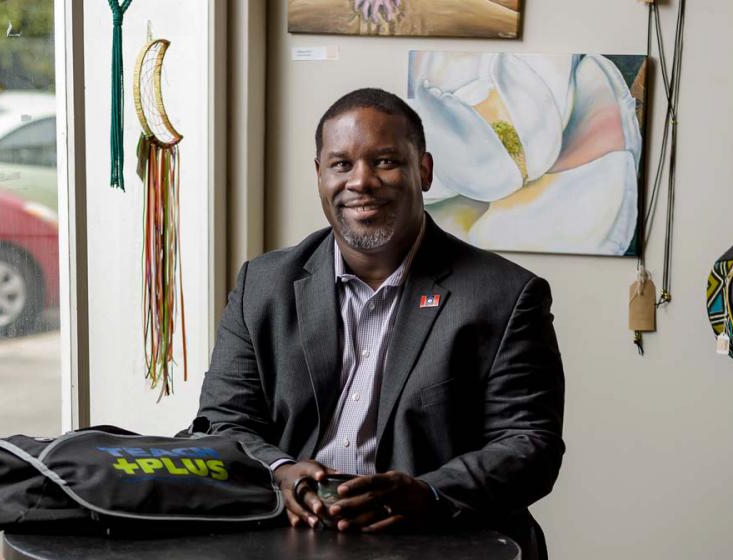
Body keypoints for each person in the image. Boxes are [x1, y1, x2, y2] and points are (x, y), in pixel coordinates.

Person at [197, 87, 565, 558]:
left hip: (441, 539)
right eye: (341, 164)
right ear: (319, 175)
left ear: (424, 171)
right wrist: (281, 471)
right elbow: (221, 422)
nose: (361, 182)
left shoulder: (505, 296)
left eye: (385, 161)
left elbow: (530, 446)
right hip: (292, 536)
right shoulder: (262, 284)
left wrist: (428, 494)